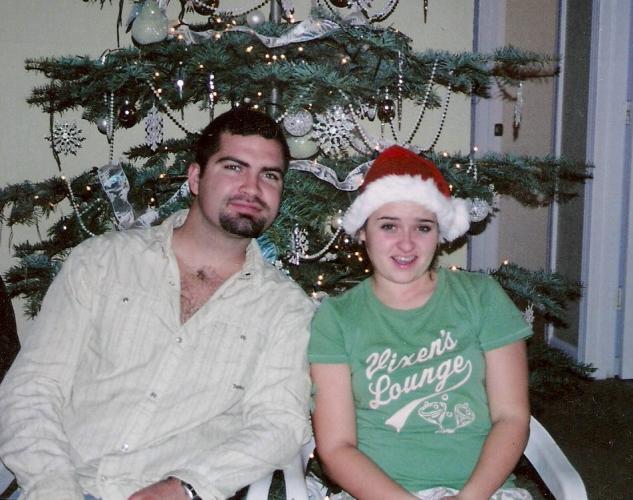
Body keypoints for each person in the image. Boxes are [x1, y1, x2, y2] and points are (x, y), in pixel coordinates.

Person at [0, 108, 315, 500]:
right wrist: (54, 488)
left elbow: (279, 424)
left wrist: (187, 487)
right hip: (60, 485)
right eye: (234, 167)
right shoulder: (102, 262)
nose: (252, 188)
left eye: (270, 175)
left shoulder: (286, 309)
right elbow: (32, 389)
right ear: (196, 178)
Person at [309, 145, 533, 500]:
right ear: (363, 231)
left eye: (423, 228)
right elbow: (337, 447)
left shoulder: (481, 297)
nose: (406, 244)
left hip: (480, 492)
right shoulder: (336, 318)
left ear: (439, 233)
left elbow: (512, 417)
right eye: (389, 226)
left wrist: (469, 498)